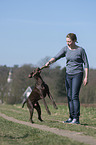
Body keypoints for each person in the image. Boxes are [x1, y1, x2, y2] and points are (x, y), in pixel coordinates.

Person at [45, 33, 89, 124]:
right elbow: (56, 57)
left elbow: (86, 64)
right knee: (69, 96)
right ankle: (71, 117)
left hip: (78, 74)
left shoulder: (80, 50)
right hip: (68, 74)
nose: (68, 43)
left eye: (69, 41)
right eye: (67, 41)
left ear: (74, 40)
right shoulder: (65, 49)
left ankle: (76, 118)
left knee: (74, 96)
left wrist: (86, 77)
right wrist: (49, 62)